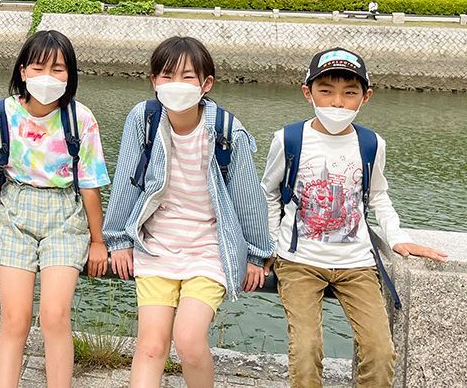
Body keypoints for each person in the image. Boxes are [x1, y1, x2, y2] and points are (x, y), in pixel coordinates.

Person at [261, 48, 447, 388]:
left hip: (357, 264)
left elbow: (378, 195)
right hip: (298, 262)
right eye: (326, 91)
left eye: (349, 93)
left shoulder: (371, 143)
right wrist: (271, 245)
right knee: (306, 349)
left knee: (380, 349)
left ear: (366, 97)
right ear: (308, 92)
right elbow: (269, 193)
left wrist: (396, 237)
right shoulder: (289, 138)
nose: (337, 102)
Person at [104, 36, 273, 388]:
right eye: (166, 76)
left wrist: (257, 255)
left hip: (208, 249)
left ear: (206, 84)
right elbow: (126, 180)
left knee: (190, 342)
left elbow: (247, 197)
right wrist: (118, 239)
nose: (175, 85)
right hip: (155, 246)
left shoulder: (227, 132)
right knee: (150, 346)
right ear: (153, 81)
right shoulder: (144, 120)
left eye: (187, 76)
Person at [0, 30, 110, 388]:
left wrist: (98, 240)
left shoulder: (81, 118)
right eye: (39, 67)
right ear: (22, 71)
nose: (48, 77)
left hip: (65, 213)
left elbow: (90, 185)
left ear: (71, 74)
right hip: (14, 210)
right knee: (14, 319)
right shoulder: (1, 115)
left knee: (55, 315)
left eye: (59, 69)